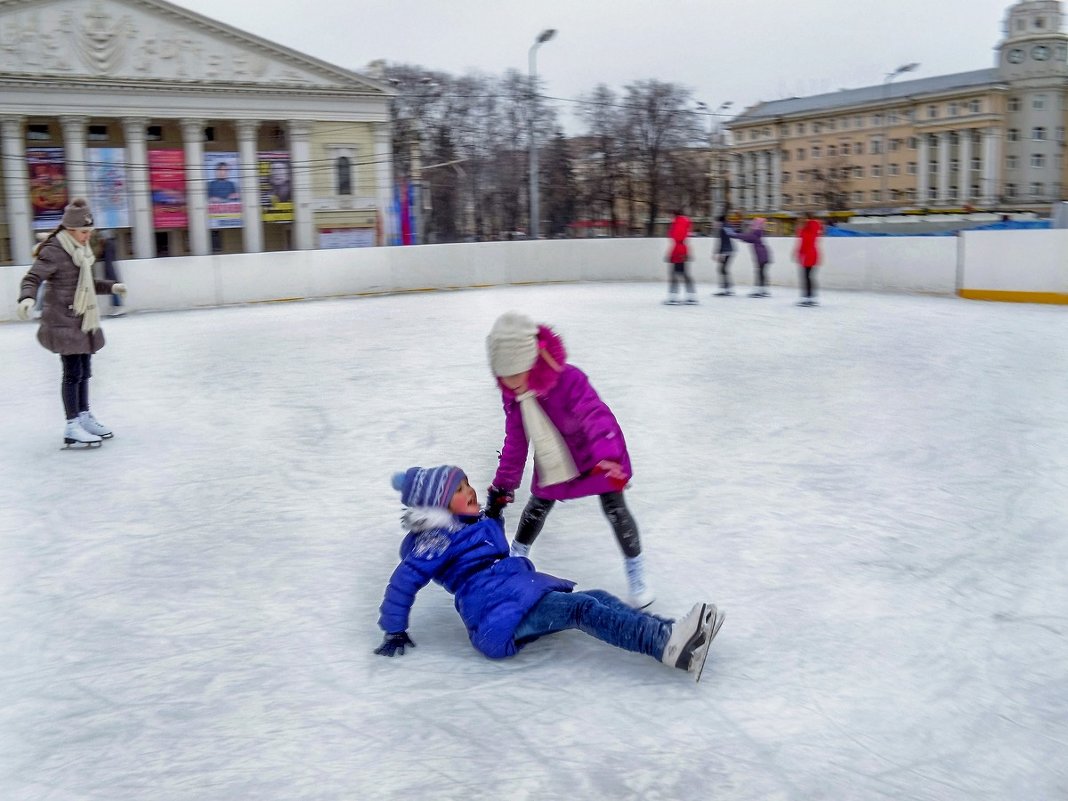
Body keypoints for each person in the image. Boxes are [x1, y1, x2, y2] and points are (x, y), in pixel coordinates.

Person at [375, 465, 723, 682]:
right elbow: (403, 582)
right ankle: (666, 645)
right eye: (459, 491)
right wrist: (394, 630)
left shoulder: (468, 525)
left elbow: (488, 543)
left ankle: (672, 632)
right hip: (496, 610)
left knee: (596, 598)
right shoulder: (434, 539)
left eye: (467, 484)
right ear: (437, 506)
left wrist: (494, 511)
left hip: (510, 594)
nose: (470, 491)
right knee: (582, 609)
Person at [484, 311, 654, 608]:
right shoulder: (513, 394)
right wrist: (504, 485)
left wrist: (607, 456)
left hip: (597, 453)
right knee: (537, 506)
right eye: (505, 377)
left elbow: (595, 416)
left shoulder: (568, 379)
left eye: (516, 373)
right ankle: (516, 556)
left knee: (615, 508)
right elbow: (516, 439)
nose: (511, 384)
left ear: (531, 361)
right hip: (555, 458)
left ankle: (636, 572)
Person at [16, 198, 127, 447]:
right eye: (84, 232)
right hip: (62, 321)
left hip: (82, 319)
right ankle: (72, 424)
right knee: (72, 373)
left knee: (85, 371)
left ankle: (84, 416)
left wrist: (112, 287)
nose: (88, 236)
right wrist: (26, 298)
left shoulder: (82, 251)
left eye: (90, 232)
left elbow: (87, 285)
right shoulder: (54, 250)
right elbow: (33, 277)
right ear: (70, 229)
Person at [731, 217, 772, 298]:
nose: (751, 226)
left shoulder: (756, 233)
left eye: (753, 224)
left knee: (759, 273)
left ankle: (759, 290)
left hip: (761, 257)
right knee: (762, 273)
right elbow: (747, 238)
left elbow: (746, 237)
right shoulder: (758, 233)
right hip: (764, 256)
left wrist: (734, 235)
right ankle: (763, 290)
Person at [663, 209, 697, 305]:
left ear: (674, 214)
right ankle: (691, 296)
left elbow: (678, 237)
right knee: (683, 274)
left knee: (675, 274)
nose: (669, 218)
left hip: (679, 251)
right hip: (681, 250)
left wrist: (674, 254)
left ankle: (673, 297)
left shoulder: (678, 223)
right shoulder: (682, 222)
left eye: (670, 215)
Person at [795, 211, 824, 306]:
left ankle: (808, 298)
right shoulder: (813, 227)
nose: (801, 220)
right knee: (808, 277)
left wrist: (799, 254)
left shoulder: (808, 228)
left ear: (807, 218)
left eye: (803, 218)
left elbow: (804, 243)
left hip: (808, 255)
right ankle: (810, 297)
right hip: (812, 254)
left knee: (806, 277)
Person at [96, 230, 123, 317]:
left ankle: (117, 307)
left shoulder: (108, 246)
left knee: (113, 289)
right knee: (113, 289)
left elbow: (107, 260)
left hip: (110, 272)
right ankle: (117, 307)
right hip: (111, 271)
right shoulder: (111, 245)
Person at [713, 214, 737, 296]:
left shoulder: (722, 228)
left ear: (720, 222)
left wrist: (719, 253)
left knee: (722, 269)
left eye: (716, 222)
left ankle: (727, 288)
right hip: (729, 250)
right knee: (723, 269)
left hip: (726, 251)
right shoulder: (727, 226)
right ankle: (727, 288)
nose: (715, 224)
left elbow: (722, 242)